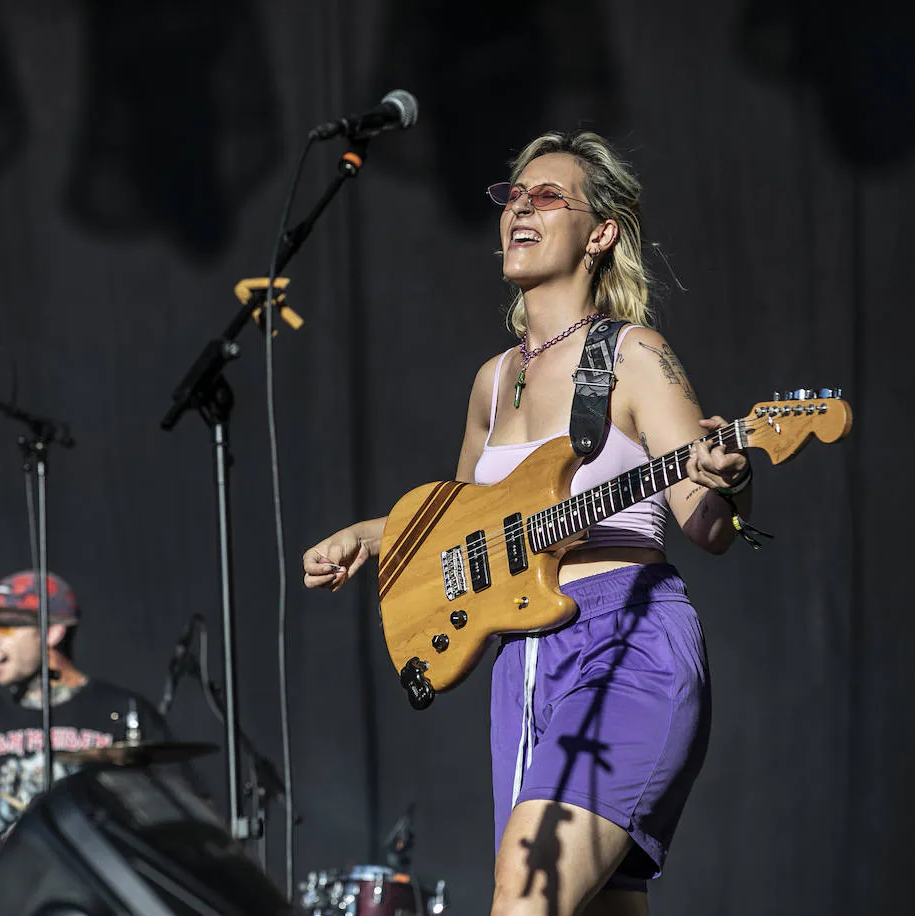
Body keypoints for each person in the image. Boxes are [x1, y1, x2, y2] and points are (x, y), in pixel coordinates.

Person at [302, 132, 753, 915]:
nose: (520, 208)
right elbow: (464, 523)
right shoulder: (493, 381)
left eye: (548, 197)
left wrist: (730, 480)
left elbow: (704, 522)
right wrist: (375, 535)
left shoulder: (634, 354)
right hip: (522, 662)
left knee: (525, 885)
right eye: (513, 195)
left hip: (626, 639)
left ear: (601, 233)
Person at [0, 569, 175, 844]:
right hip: (9, 882)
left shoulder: (123, 712)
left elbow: (177, 816)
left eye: (4, 625)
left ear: (52, 631)